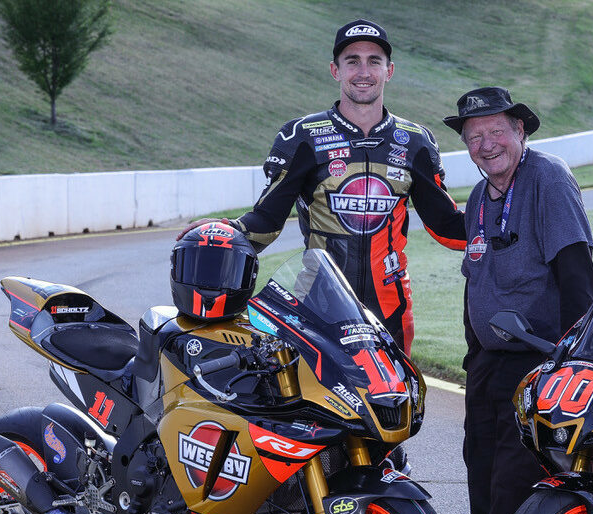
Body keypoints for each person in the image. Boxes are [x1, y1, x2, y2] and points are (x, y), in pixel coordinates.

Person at [181, 19, 466, 356]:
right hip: (317, 306)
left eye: (374, 61)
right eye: (352, 61)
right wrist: (226, 230)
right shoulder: (302, 136)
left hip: (391, 308)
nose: (364, 71)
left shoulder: (416, 141)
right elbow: (267, 220)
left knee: (394, 403)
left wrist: (504, 223)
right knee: (316, 406)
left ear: (389, 71)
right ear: (335, 70)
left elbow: (447, 226)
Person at [443, 87, 593, 514]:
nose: (486, 145)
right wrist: (471, 356)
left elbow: (577, 272)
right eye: (474, 137)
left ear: (520, 131)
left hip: (541, 363)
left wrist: (575, 362)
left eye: (496, 132)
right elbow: (475, 284)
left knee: (515, 489)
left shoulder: (548, 180)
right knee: (483, 490)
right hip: (488, 367)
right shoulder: (480, 197)